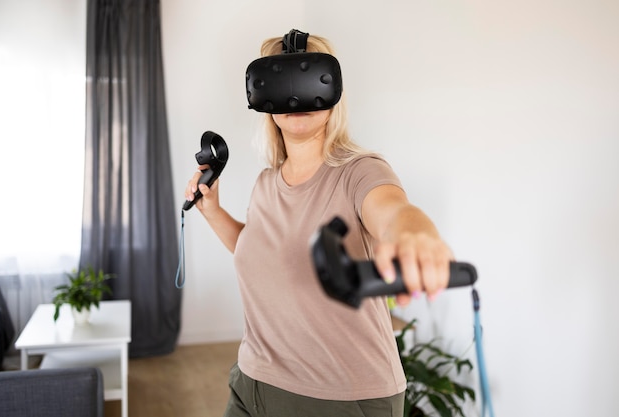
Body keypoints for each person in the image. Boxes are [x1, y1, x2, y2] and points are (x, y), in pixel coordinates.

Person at [184, 32, 453, 417]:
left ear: (333, 91)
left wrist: (414, 233)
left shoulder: (360, 172)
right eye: (281, 81)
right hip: (251, 383)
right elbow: (258, 250)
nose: (296, 96)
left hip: (339, 396)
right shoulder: (266, 182)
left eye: (310, 79)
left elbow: (393, 211)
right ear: (264, 98)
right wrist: (212, 211)